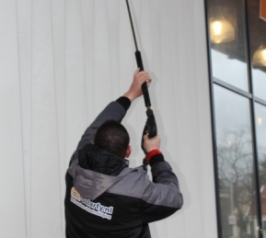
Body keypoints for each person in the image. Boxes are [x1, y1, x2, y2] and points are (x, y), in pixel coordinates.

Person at [64, 69, 183, 238]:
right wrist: (154, 153)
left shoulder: (75, 165)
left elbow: (96, 126)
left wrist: (130, 94)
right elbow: (173, 197)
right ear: (128, 151)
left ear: (93, 143)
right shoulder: (139, 191)